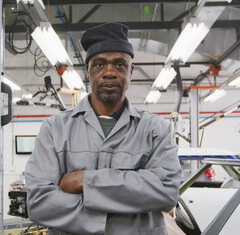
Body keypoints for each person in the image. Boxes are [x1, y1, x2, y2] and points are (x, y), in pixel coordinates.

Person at [25, 22, 183, 235]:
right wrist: (121, 219)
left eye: (120, 65)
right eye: (100, 64)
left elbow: (165, 191)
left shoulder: (155, 129)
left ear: (131, 71)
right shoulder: (55, 129)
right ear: (88, 71)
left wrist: (84, 180)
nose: (110, 72)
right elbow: (39, 202)